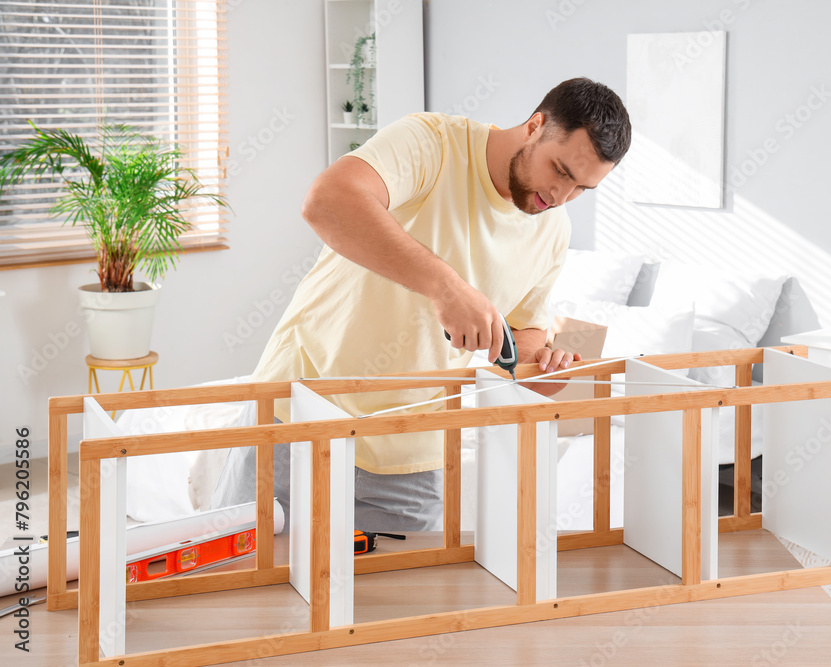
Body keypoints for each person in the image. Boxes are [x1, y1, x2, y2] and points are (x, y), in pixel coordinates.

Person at [211, 77, 631, 531]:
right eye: (562, 172)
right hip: (299, 413)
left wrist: (540, 368)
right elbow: (326, 201)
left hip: (413, 452)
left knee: (400, 600)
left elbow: (525, 330)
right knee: (241, 583)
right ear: (535, 126)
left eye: (582, 190)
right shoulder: (432, 143)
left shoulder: (554, 230)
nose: (561, 197)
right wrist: (446, 288)